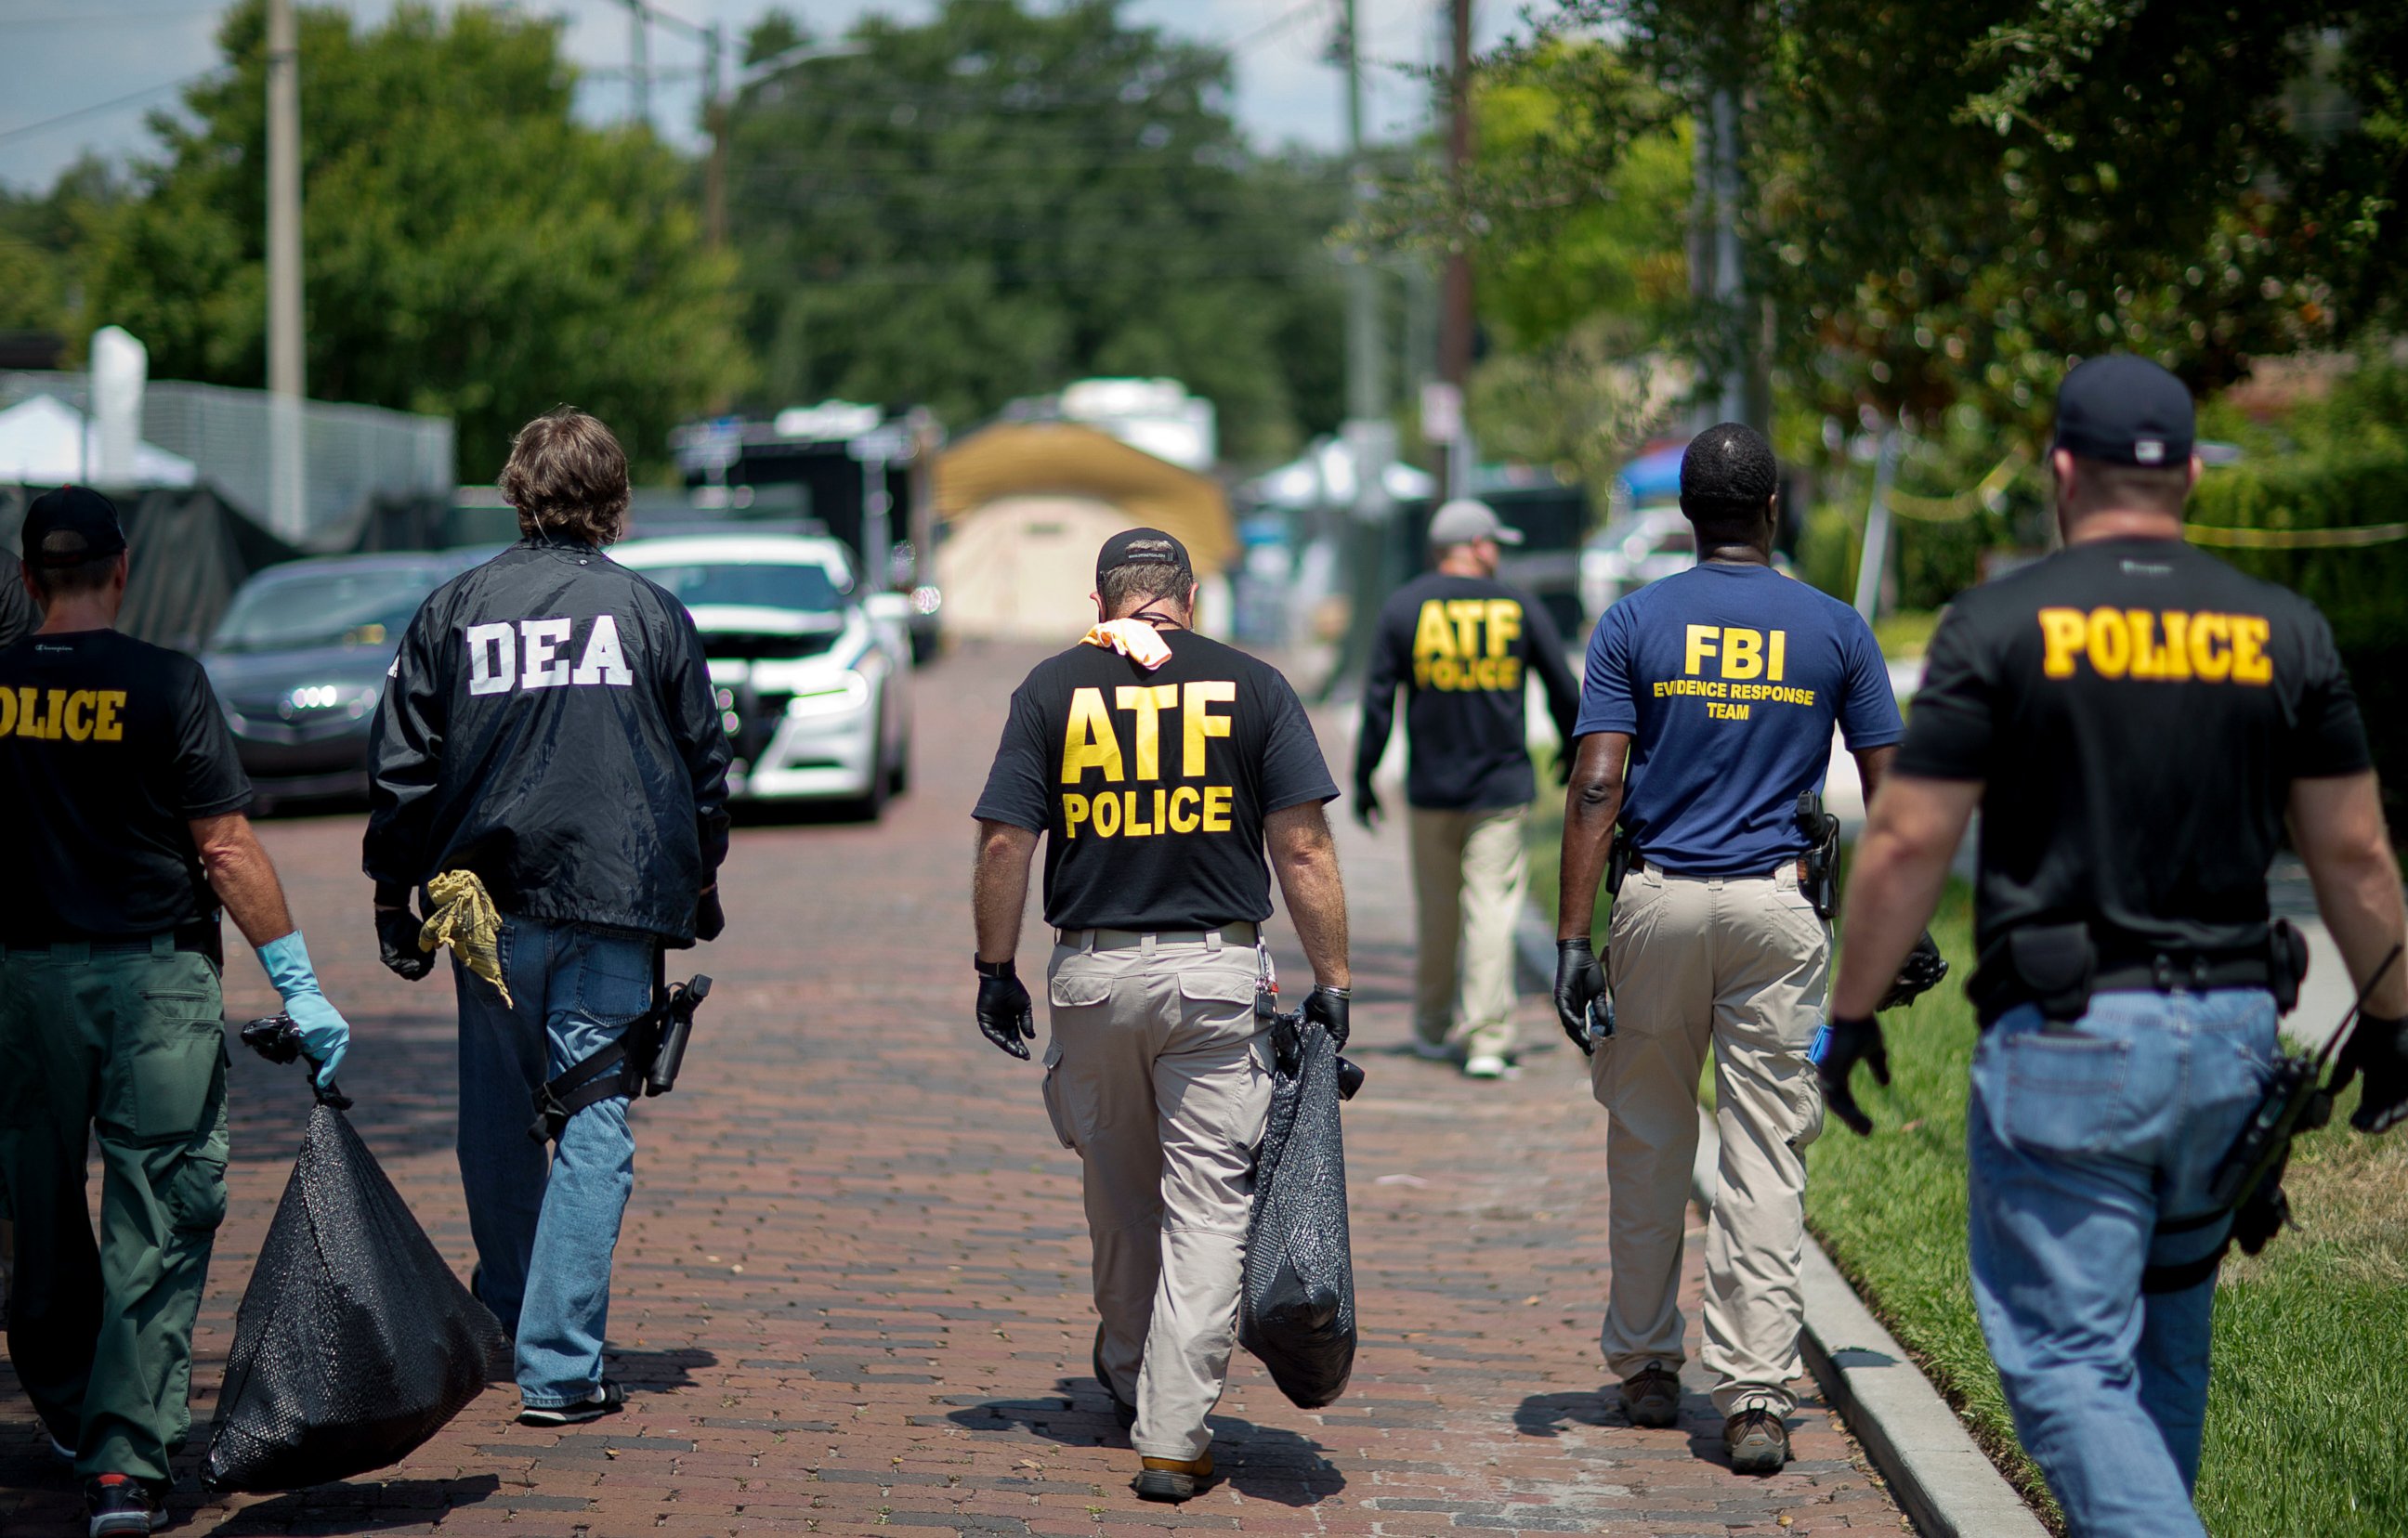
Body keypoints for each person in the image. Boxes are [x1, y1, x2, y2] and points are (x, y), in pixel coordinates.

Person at [1821, 355, 2408, 1537]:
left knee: (2067, 1367)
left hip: (2074, 1046)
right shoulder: (2285, 630)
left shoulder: (2000, 623)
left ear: (2060, 472)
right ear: (2190, 474)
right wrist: (2395, 1026)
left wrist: (1848, 1013)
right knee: (2164, 1334)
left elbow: (1901, 846)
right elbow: (2353, 856)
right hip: (2239, 1044)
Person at [363, 409, 732, 1427]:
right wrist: (701, 885)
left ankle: (513, 1317)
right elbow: (705, 765)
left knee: (496, 1118)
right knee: (594, 1121)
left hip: (487, 908)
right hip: (617, 903)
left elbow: (401, 769)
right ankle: (560, 1365)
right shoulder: (653, 614)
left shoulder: (453, 609)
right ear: (614, 499)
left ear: (516, 493)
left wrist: (393, 894)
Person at [1551, 424, 1906, 1474]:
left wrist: (1575, 938)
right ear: (1774, 508)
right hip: (1778, 911)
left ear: (1686, 515)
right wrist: (1906, 925)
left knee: (1650, 1133)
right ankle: (1754, 1391)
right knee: (1764, 1151)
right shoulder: (1834, 627)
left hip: (1658, 901)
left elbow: (1598, 783)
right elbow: (1897, 792)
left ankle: (1649, 1364)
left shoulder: (1634, 621)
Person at [0, 486, 353, 1538]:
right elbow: (226, 847)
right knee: (156, 1212)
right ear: (122, 571)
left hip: (22, 985)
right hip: (153, 984)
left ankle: (67, 1412)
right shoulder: (165, 683)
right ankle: (123, 1467)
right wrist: (297, 982)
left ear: (26, 580)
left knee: (38, 1208)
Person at [970, 528, 1350, 1503]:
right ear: (1192, 599)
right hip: (1217, 979)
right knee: (1209, 1203)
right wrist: (1335, 978)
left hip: (1091, 978)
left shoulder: (1053, 690)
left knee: (1119, 1190)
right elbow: (1302, 848)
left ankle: (1136, 1369)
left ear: (1101, 603)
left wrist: (995, 967)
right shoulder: (1253, 686)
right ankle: (1174, 1433)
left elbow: (1008, 840)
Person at [1354, 498, 1581, 1078]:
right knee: (1490, 909)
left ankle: (1431, 1028)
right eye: (1494, 543)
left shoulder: (1405, 608)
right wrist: (1570, 749)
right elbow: (1562, 688)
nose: (1497, 553)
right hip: (1500, 789)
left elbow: (1379, 703)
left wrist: (1364, 776)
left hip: (1430, 788)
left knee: (1436, 912)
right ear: (1478, 545)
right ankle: (1485, 1038)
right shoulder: (1517, 606)